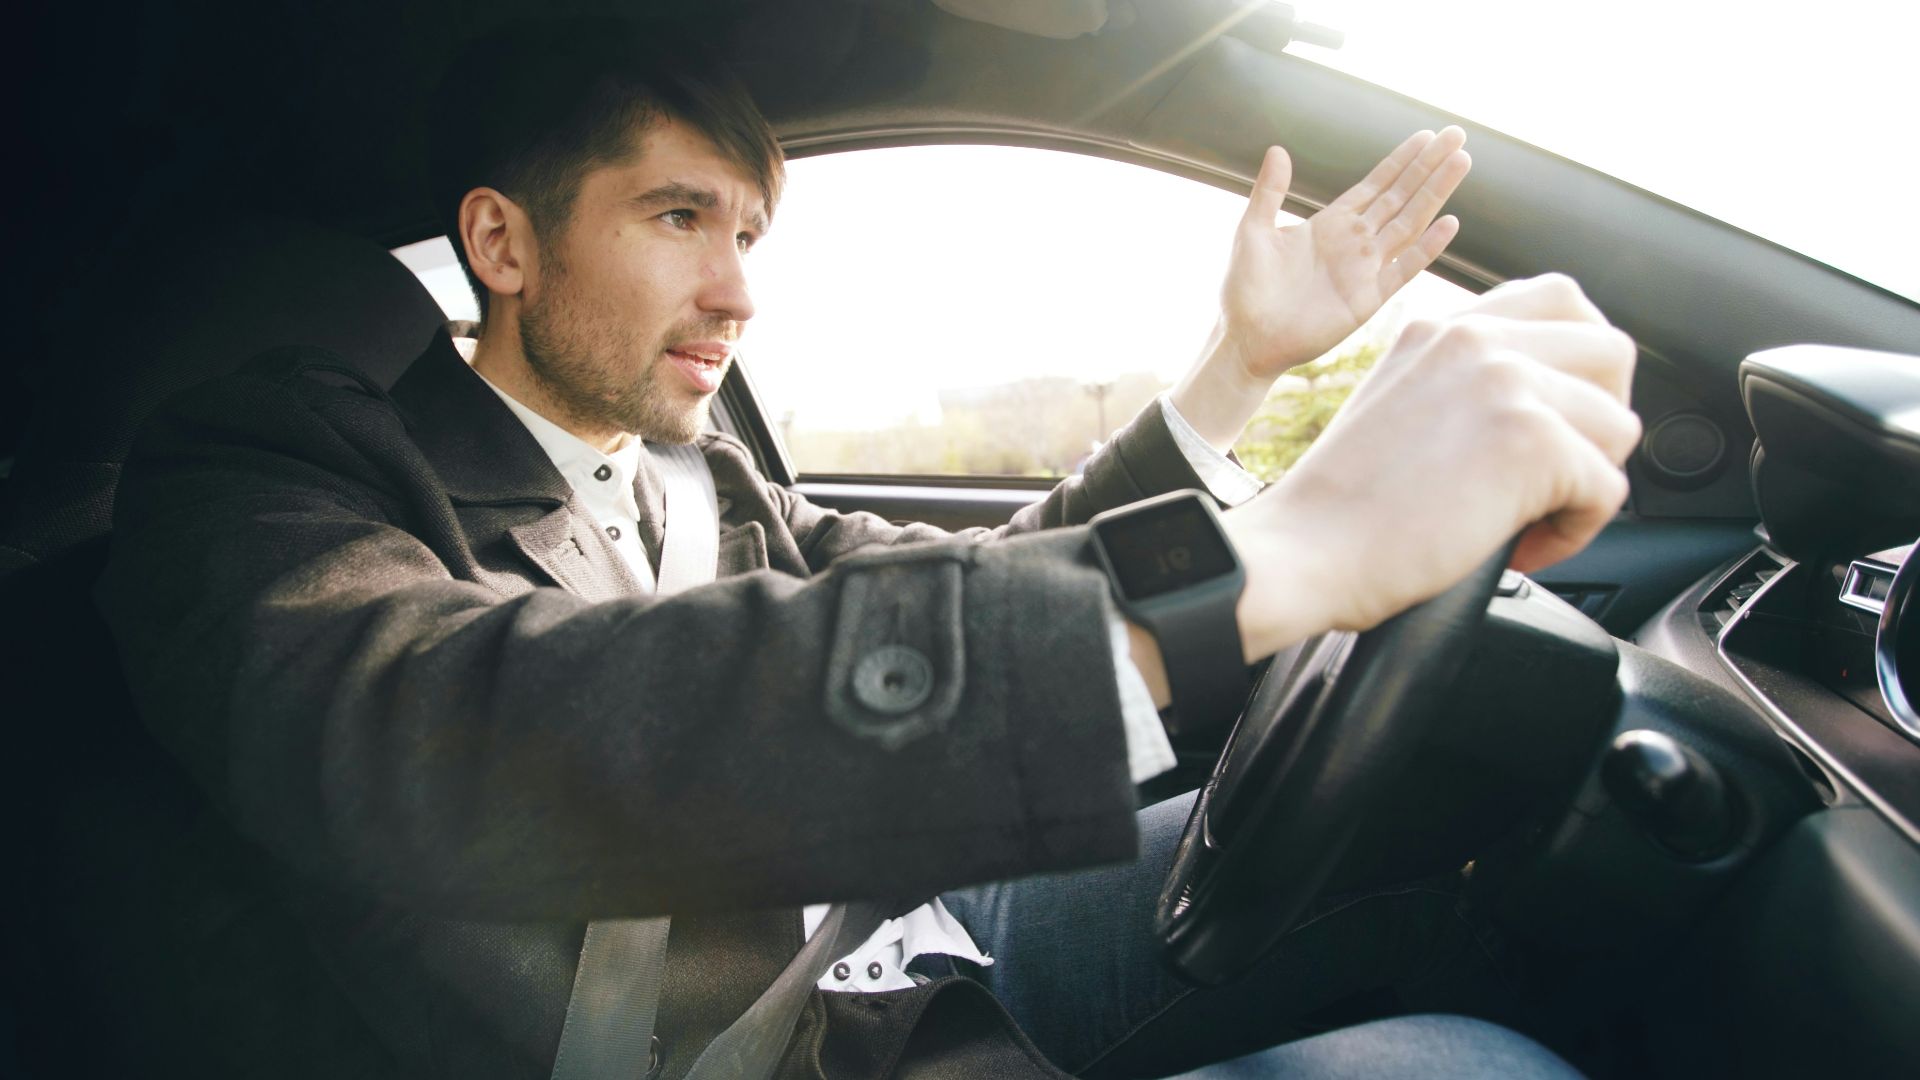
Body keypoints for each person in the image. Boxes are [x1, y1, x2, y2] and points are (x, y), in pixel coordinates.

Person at [96, 17, 1634, 1080]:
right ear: (503, 245)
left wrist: (1241, 370)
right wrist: (1286, 553)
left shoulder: (706, 489)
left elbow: (992, 586)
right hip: (762, 1038)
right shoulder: (265, 476)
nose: (738, 290)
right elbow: (459, 729)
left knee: (1458, 879)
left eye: (748, 234)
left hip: (877, 979)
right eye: (680, 219)